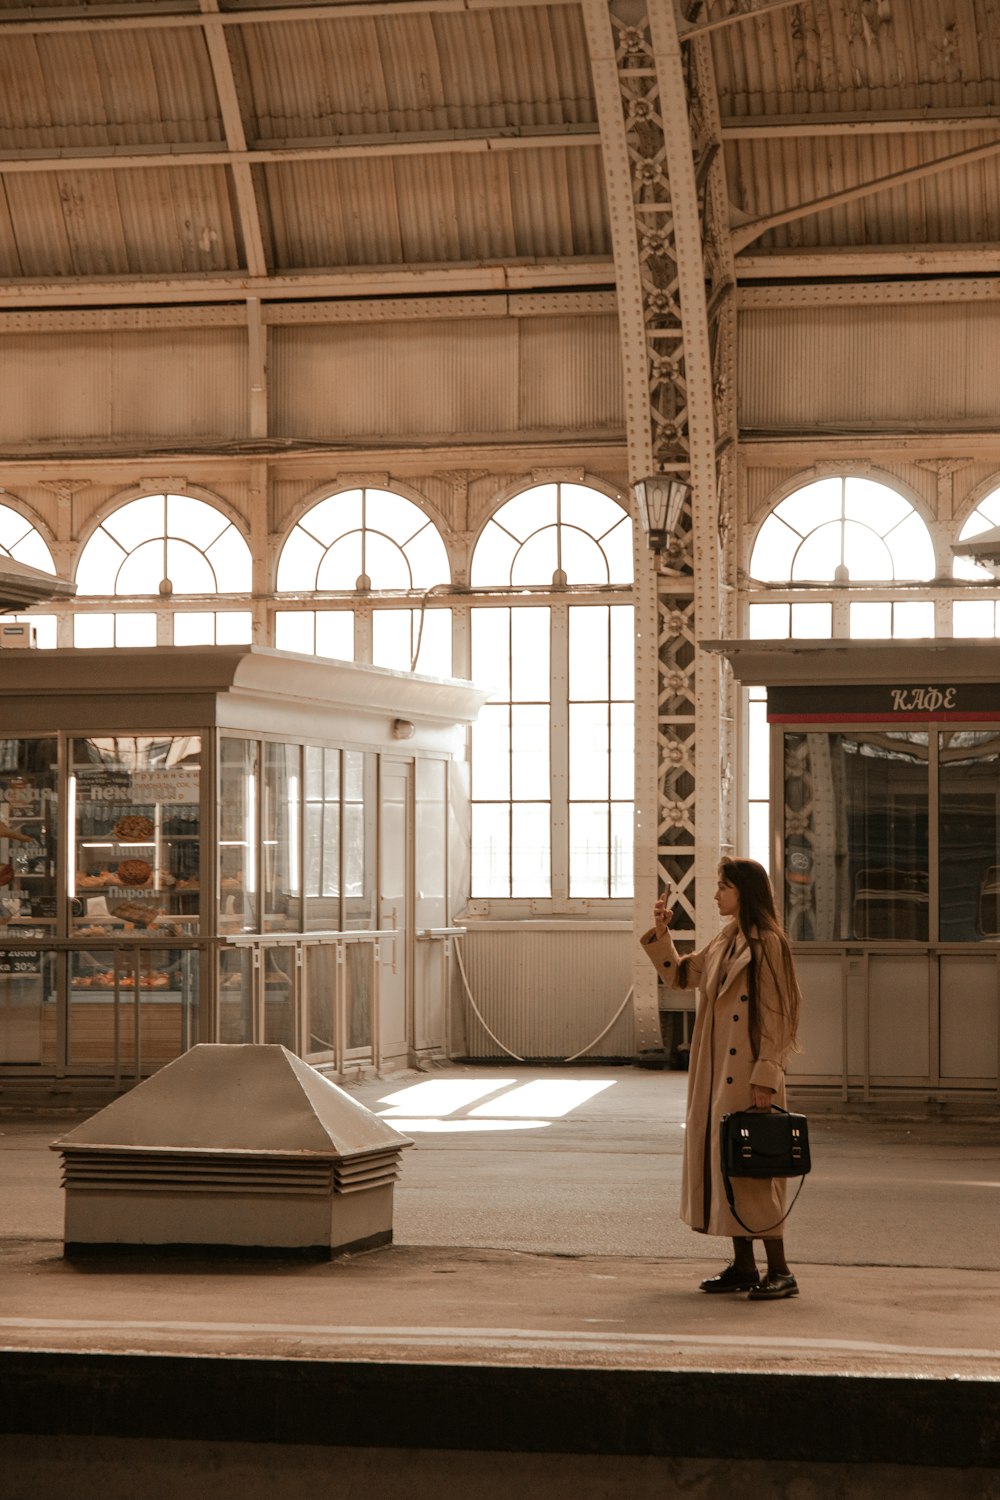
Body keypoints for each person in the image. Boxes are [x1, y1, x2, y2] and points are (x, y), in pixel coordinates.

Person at [640, 857, 803, 1300]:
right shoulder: (725, 941)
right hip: (717, 1077)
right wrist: (661, 932)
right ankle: (745, 1266)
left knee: (756, 1171)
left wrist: (767, 1074)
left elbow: (777, 1014)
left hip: (749, 1075)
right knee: (731, 1165)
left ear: (744, 893)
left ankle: (782, 1271)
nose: (715, 896)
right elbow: (680, 976)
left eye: (723, 888)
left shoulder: (768, 944)